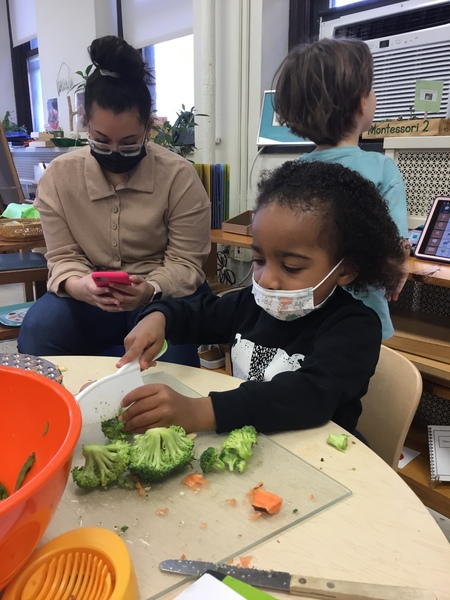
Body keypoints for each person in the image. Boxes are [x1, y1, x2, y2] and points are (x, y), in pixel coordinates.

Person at [115, 161, 405, 436]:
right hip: (256, 441)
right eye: (259, 260)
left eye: (291, 267)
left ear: (345, 269)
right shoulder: (251, 304)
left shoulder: (355, 327)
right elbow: (197, 313)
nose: (266, 280)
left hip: (320, 453)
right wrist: (160, 317)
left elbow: (309, 396)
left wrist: (202, 411)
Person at [18, 35, 211, 366]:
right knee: (38, 332)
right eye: (102, 140)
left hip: (160, 294)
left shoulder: (178, 176)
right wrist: (80, 286)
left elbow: (185, 262)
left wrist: (150, 289)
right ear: (86, 123)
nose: (116, 152)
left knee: (172, 359)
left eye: (130, 141)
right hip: (88, 294)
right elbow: (63, 257)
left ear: (148, 127)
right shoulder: (60, 177)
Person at [272, 37, 410, 340]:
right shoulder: (381, 169)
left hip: (303, 318)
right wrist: (400, 264)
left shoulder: (290, 175)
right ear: (362, 102)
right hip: (361, 323)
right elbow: (394, 249)